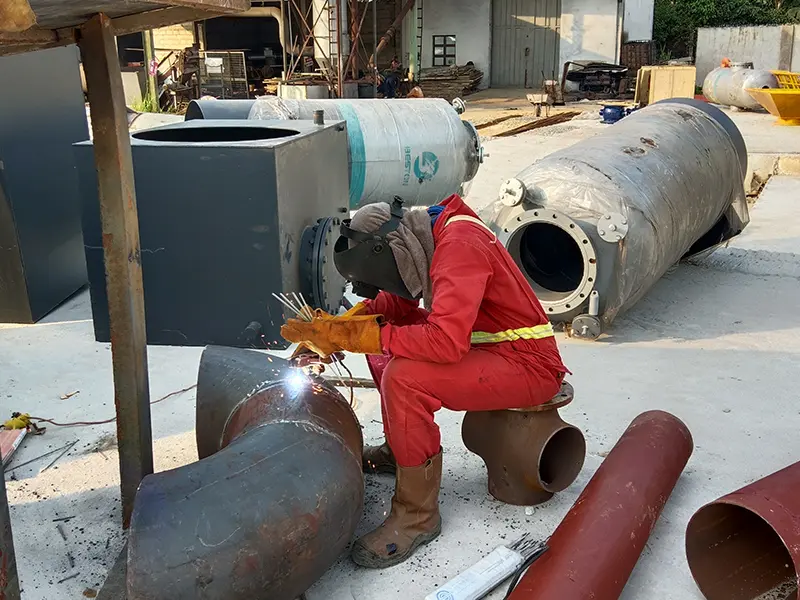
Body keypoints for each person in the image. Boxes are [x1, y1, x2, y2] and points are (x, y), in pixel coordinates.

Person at [281, 194, 568, 569]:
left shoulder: (460, 247)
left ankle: (417, 516)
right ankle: (401, 450)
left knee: (405, 378)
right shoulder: (425, 237)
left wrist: (366, 336)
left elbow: (446, 341)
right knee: (383, 339)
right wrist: (339, 329)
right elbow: (395, 305)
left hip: (528, 364)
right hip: (491, 349)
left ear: (394, 250)